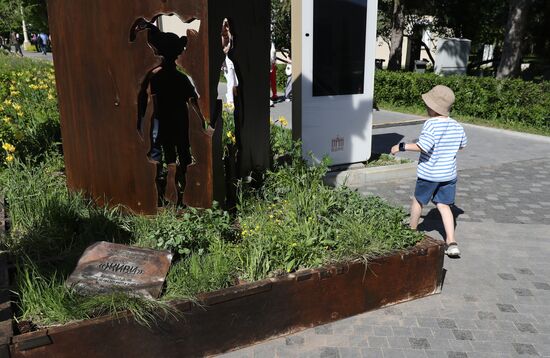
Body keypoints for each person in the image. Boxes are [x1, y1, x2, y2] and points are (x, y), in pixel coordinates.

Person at [391, 85, 467, 258]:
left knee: (418, 200)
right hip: (448, 174)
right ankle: (452, 242)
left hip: (430, 174)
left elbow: (423, 147)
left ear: (432, 108)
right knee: (444, 205)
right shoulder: (457, 125)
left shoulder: (430, 124)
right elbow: (462, 145)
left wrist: (401, 146)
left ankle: (411, 230)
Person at [221, 18, 238, 104]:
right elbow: (224, 49)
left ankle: (234, 100)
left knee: (236, 83)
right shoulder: (223, 36)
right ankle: (230, 102)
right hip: (228, 62)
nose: (227, 28)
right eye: (226, 25)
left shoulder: (233, 34)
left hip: (235, 61)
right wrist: (229, 42)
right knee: (231, 82)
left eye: (228, 25)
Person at [269, 41, 277, 106]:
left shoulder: (272, 44)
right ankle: (273, 95)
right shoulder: (272, 44)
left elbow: (274, 54)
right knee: (271, 81)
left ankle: (274, 95)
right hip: (270, 64)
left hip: (272, 64)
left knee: (273, 81)